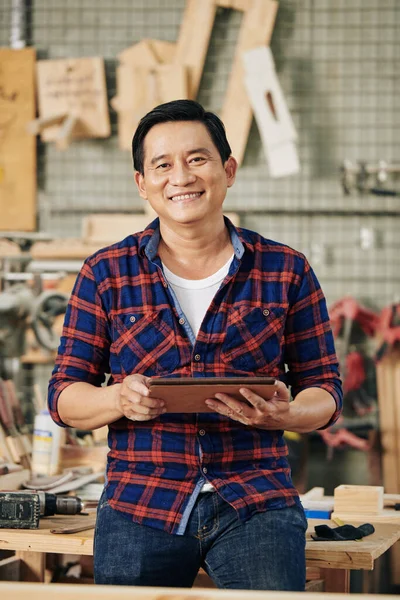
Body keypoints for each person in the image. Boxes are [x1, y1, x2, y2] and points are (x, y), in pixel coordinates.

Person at [48, 99, 342, 591]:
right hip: (140, 500)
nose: (180, 176)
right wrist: (118, 397)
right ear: (143, 184)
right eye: (162, 165)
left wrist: (287, 415)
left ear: (228, 169)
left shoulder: (285, 269)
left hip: (255, 499)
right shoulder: (106, 273)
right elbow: (64, 396)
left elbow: (325, 391)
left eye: (197, 159)